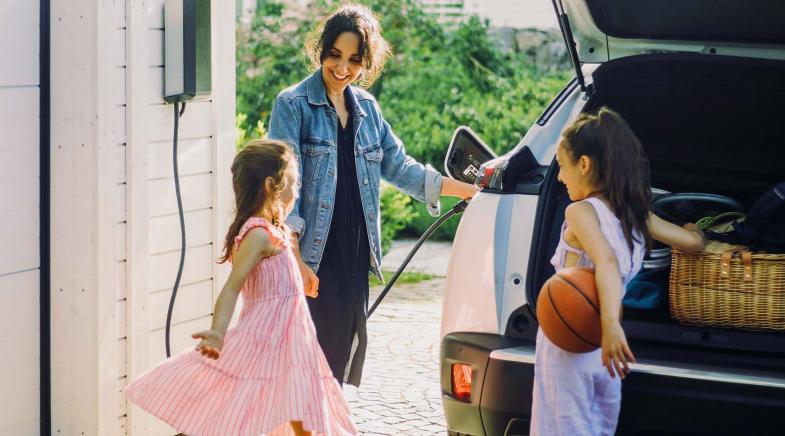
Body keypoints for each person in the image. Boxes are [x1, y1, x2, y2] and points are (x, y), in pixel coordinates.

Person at [267, 4, 477, 387]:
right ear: (321, 51)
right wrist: (295, 258)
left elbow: (402, 169)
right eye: (335, 55)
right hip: (314, 255)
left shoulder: (367, 109)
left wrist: (469, 190)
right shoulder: (292, 105)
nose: (343, 68)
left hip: (354, 256)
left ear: (367, 63)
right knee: (306, 366)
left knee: (339, 363)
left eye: (354, 60)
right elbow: (282, 189)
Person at [126, 140, 357, 436]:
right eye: (292, 183)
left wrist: (301, 275)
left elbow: (282, 269)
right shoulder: (257, 235)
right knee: (246, 412)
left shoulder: (277, 231)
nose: (296, 190)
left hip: (294, 344)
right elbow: (232, 287)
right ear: (271, 185)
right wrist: (218, 331)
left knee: (302, 409)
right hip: (265, 341)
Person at [530, 107, 704, 435]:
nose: (560, 177)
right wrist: (699, 229)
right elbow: (693, 243)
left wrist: (610, 325)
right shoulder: (637, 216)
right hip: (606, 348)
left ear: (584, 164)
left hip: (570, 343)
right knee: (600, 427)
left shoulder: (581, 211)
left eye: (563, 167)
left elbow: (606, 261)